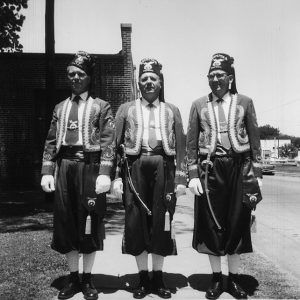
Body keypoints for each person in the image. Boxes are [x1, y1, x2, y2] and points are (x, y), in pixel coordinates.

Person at [186, 53, 263, 299]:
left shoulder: (245, 102)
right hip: (210, 169)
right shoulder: (198, 104)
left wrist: (257, 173)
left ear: (230, 78)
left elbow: (254, 139)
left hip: (239, 168)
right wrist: (193, 175)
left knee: (237, 223)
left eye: (220, 75)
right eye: (212, 76)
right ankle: (217, 279)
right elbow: (190, 143)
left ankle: (235, 279)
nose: (216, 80)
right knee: (212, 225)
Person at [41, 51, 115, 300]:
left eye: (80, 74)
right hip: (65, 168)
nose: (75, 78)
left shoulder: (101, 106)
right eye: (71, 74)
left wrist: (105, 172)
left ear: (89, 77)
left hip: (90, 168)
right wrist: (47, 171)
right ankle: (72, 279)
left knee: (90, 221)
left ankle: (87, 279)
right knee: (66, 222)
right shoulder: (60, 108)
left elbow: (108, 142)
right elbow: (51, 141)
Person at [112, 58, 186, 299]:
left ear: (160, 82)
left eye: (153, 78)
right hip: (134, 167)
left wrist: (181, 178)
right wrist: (115, 177)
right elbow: (114, 145)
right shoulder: (126, 109)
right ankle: (143, 278)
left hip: (163, 166)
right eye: (144, 79)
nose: (148, 83)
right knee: (136, 221)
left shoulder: (172, 110)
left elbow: (182, 146)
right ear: (138, 83)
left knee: (162, 220)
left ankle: (159, 276)